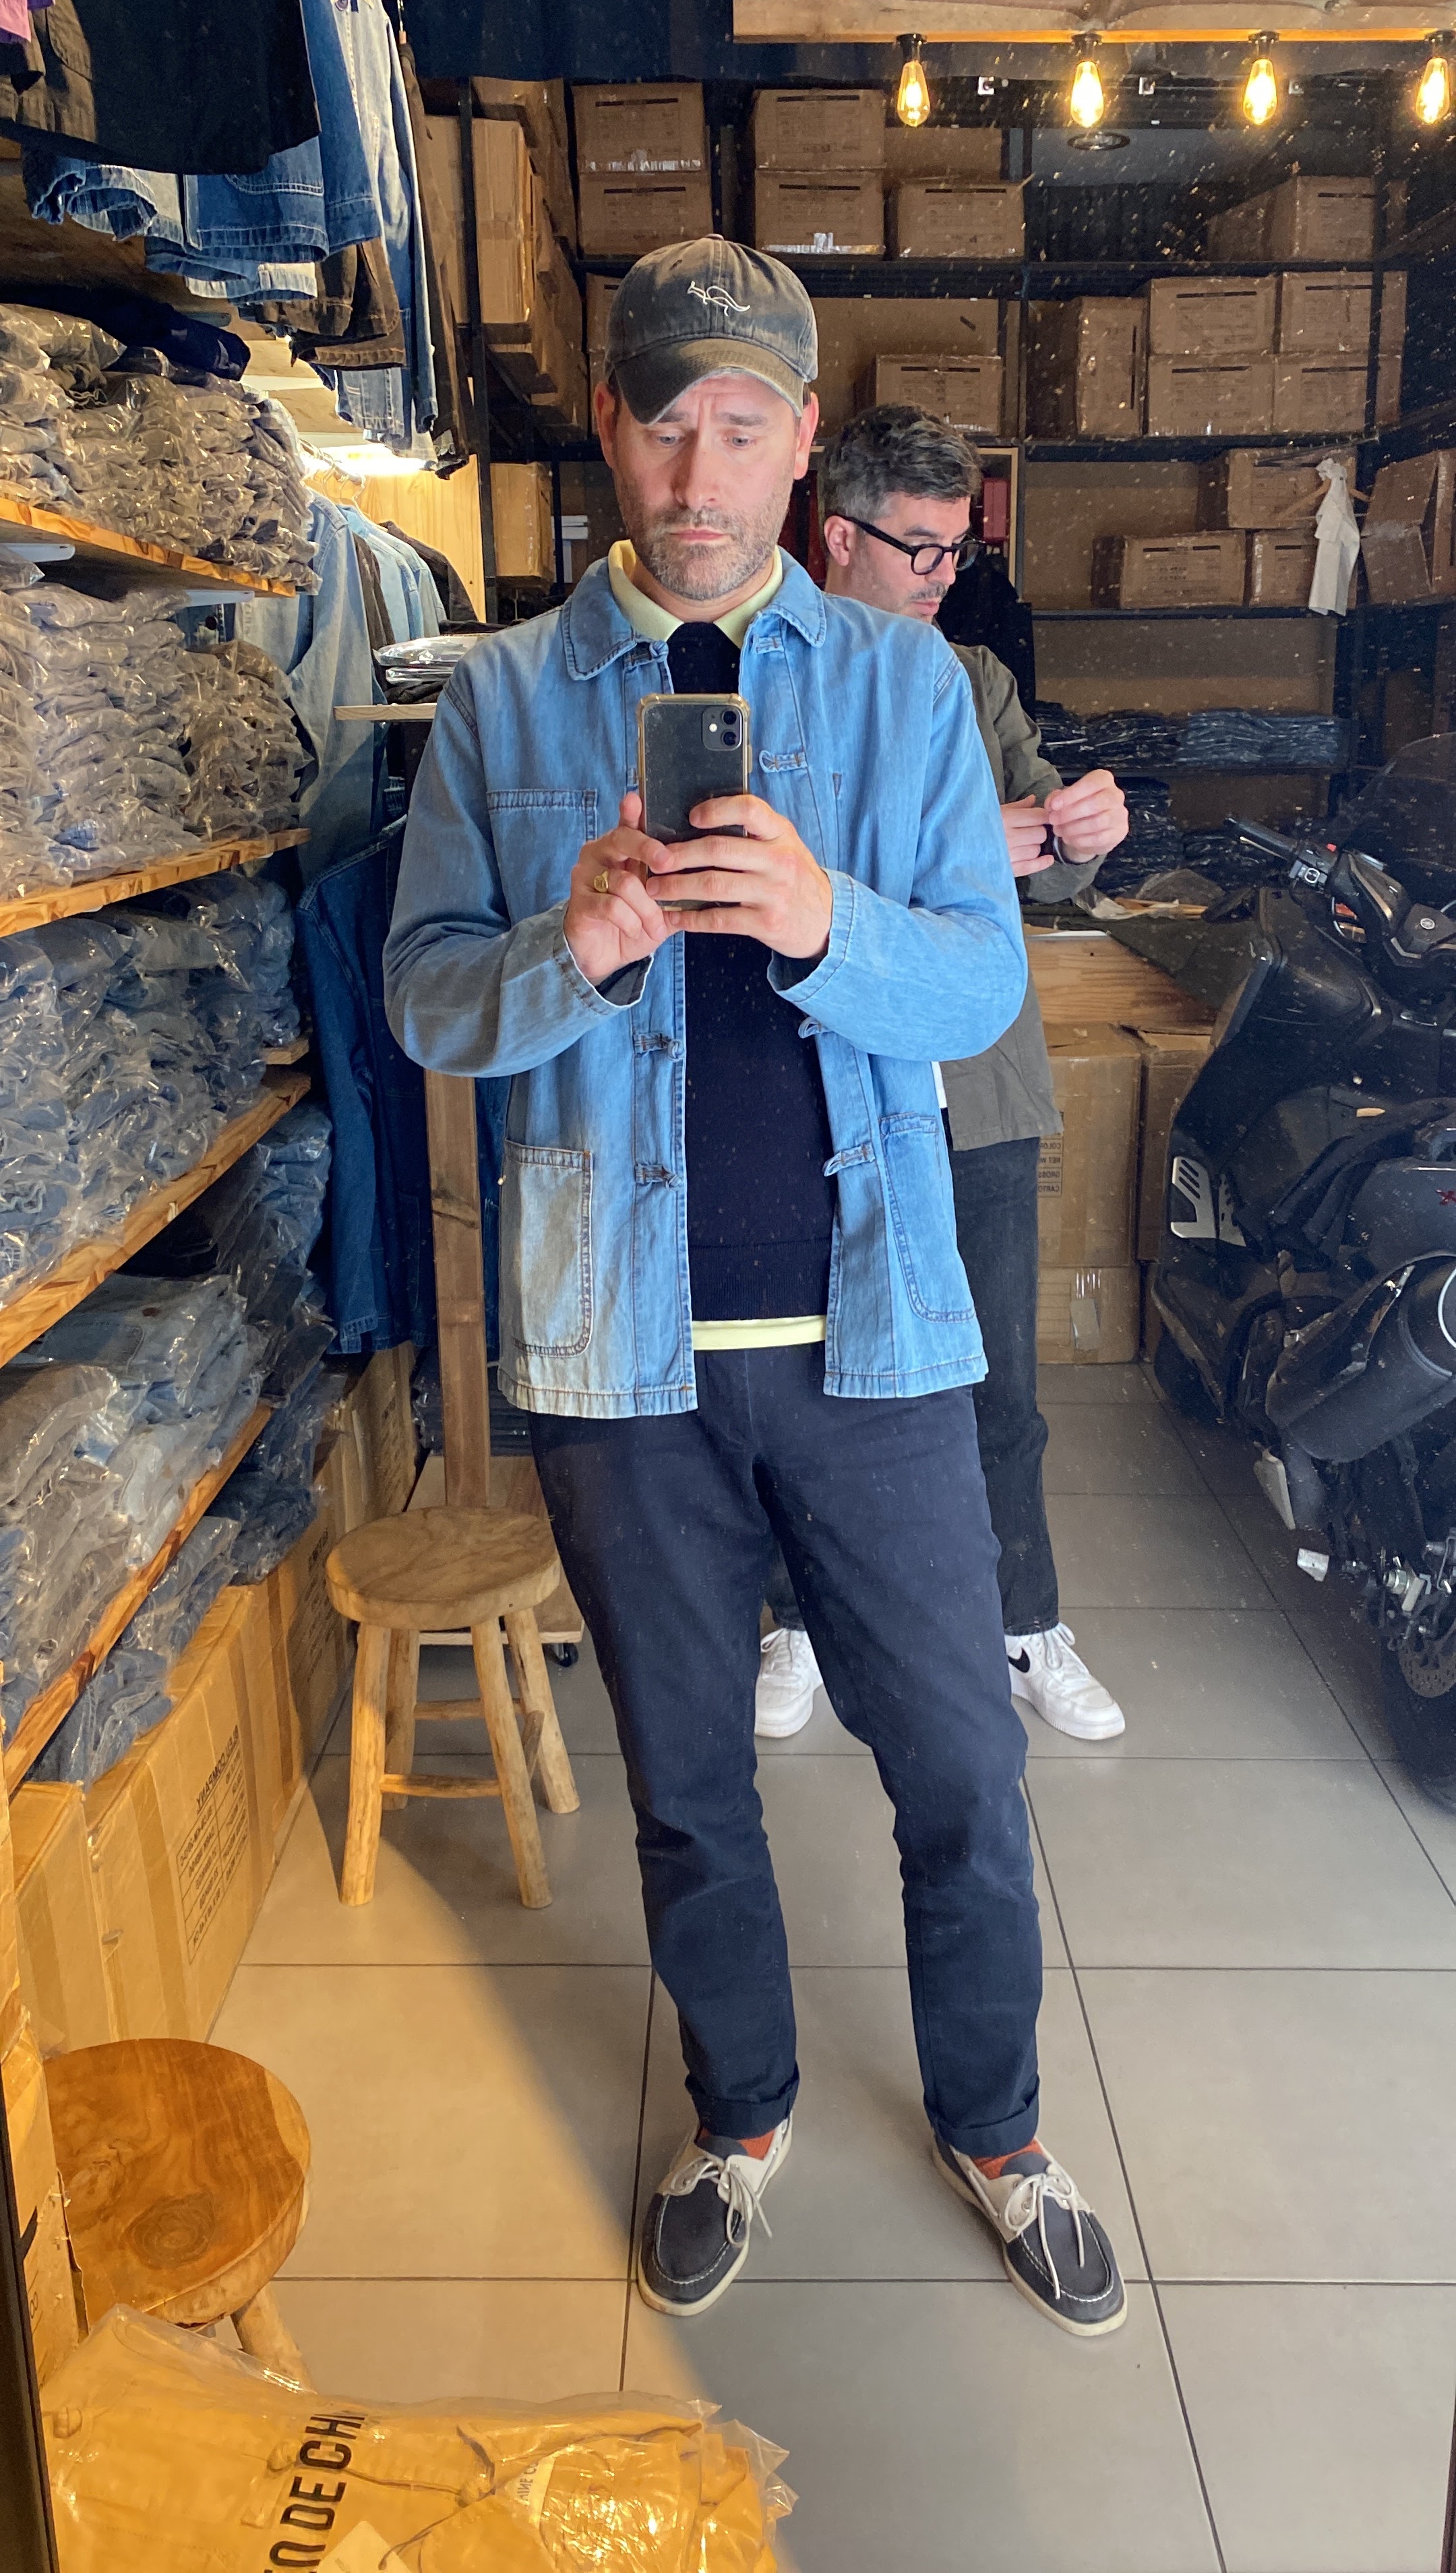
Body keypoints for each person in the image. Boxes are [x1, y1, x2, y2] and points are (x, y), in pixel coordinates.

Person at [384, 237, 1126, 2338]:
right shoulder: (506, 699)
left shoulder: (907, 689)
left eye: (739, 427)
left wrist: (821, 922)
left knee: (961, 1767)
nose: (696, 472)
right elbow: (426, 1002)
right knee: (693, 1784)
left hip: (875, 1338)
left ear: (801, 445)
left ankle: (999, 2126)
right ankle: (742, 2113)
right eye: (661, 423)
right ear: (608, 429)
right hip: (614, 1353)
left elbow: (975, 988)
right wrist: (569, 952)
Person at [754, 406, 1130, 1748]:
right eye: (917, 547)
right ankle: (796, 1618)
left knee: (998, 1383)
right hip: (814, 1082)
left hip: (974, 1086)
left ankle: (1024, 1619)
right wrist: (974, 847)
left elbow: (1048, 873)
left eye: (954, 550)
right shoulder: (762, 681)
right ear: (835, 535)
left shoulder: (974, 684)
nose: (939, 575)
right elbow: (765, 888)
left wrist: (1083, 837)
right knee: (806, 1375)